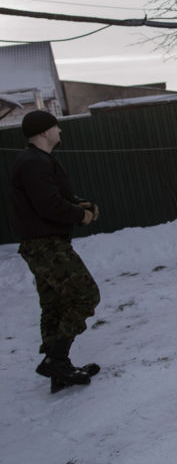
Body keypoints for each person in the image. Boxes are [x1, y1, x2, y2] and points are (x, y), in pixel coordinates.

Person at [10, 110, 102, 394]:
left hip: (41, 244)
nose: (59, 130)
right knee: (86, 295)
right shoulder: (33, 162)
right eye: (55, 127)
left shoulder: (37, 161)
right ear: (42, 132)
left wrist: (80, 204)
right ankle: (57, 360)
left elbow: (54, 196)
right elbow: (48, 205)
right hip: (47, 245)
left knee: (55, 305)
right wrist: (79, 215)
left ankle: (58, 371)